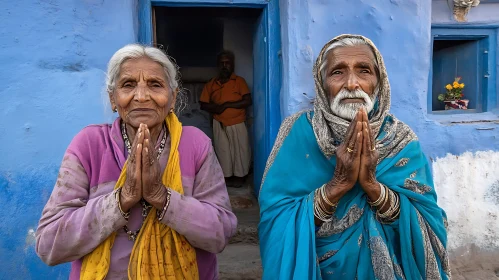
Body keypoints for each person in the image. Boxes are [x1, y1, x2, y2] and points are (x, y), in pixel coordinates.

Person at [35, 44, 237, 280]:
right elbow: (48, 245)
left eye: (155, 84)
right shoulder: (89, 145)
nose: (141, 96)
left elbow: (221, 232)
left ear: (172, 98)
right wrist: (122, 199)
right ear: (113, 98)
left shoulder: (196, 144)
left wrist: (162, 197)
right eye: (128, 85)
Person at [258, 34, 450, 279]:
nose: (351, 83)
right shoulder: (297, 132)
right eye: (337, 72)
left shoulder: (401, 140)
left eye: (364, 71)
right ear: (322, 83)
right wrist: (337, 186)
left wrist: (372, 186)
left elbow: (429, 222)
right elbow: (275, 221)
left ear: (379, 83)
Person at [199, 50, 252, 187]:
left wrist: (227, 105)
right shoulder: (211, 84)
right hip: (219, 123)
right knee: (223, 152)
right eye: (221, 63)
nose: (224, 66)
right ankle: (227, 178)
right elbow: (203, 104)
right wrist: (216, 108)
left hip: (237, 122)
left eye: (227, 63)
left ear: (232, 65)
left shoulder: (239, 81)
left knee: (240, 151)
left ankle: (240, 177)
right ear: (218, 65)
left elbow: (247, 101)